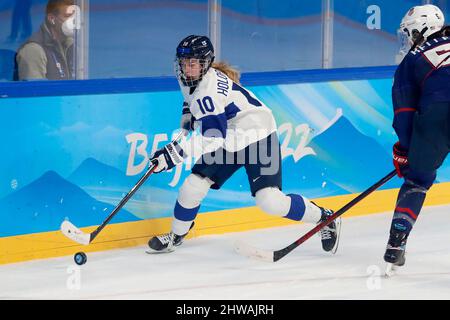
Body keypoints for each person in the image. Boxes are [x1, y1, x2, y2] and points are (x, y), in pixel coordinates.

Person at [146, 35, 341, 254]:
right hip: (231, 137)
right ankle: (176, 235)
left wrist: (173, 155)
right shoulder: (191, 78)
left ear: (205, 63)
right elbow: (193, 99)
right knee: (193, 186)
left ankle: (325, 217)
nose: (187, 68)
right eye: (184, 63)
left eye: (193, 63)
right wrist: (188, 112)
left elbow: (212, 137)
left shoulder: (207, 93)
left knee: (270, 202)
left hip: (259, 136)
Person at [385, 4, 450, 269]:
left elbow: (404, 113)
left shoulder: (412, 58)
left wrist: (405, 151)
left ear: (422, 29)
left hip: (437, 112)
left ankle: (395, 244)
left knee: (418, 181)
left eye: (410, 32)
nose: (408, 38)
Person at [15, 0, 78, 80]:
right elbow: (35, 90)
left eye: (75, 16)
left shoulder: (71, 45)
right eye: (68, 16)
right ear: (52, 19)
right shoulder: (33, 50)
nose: (74, 21)